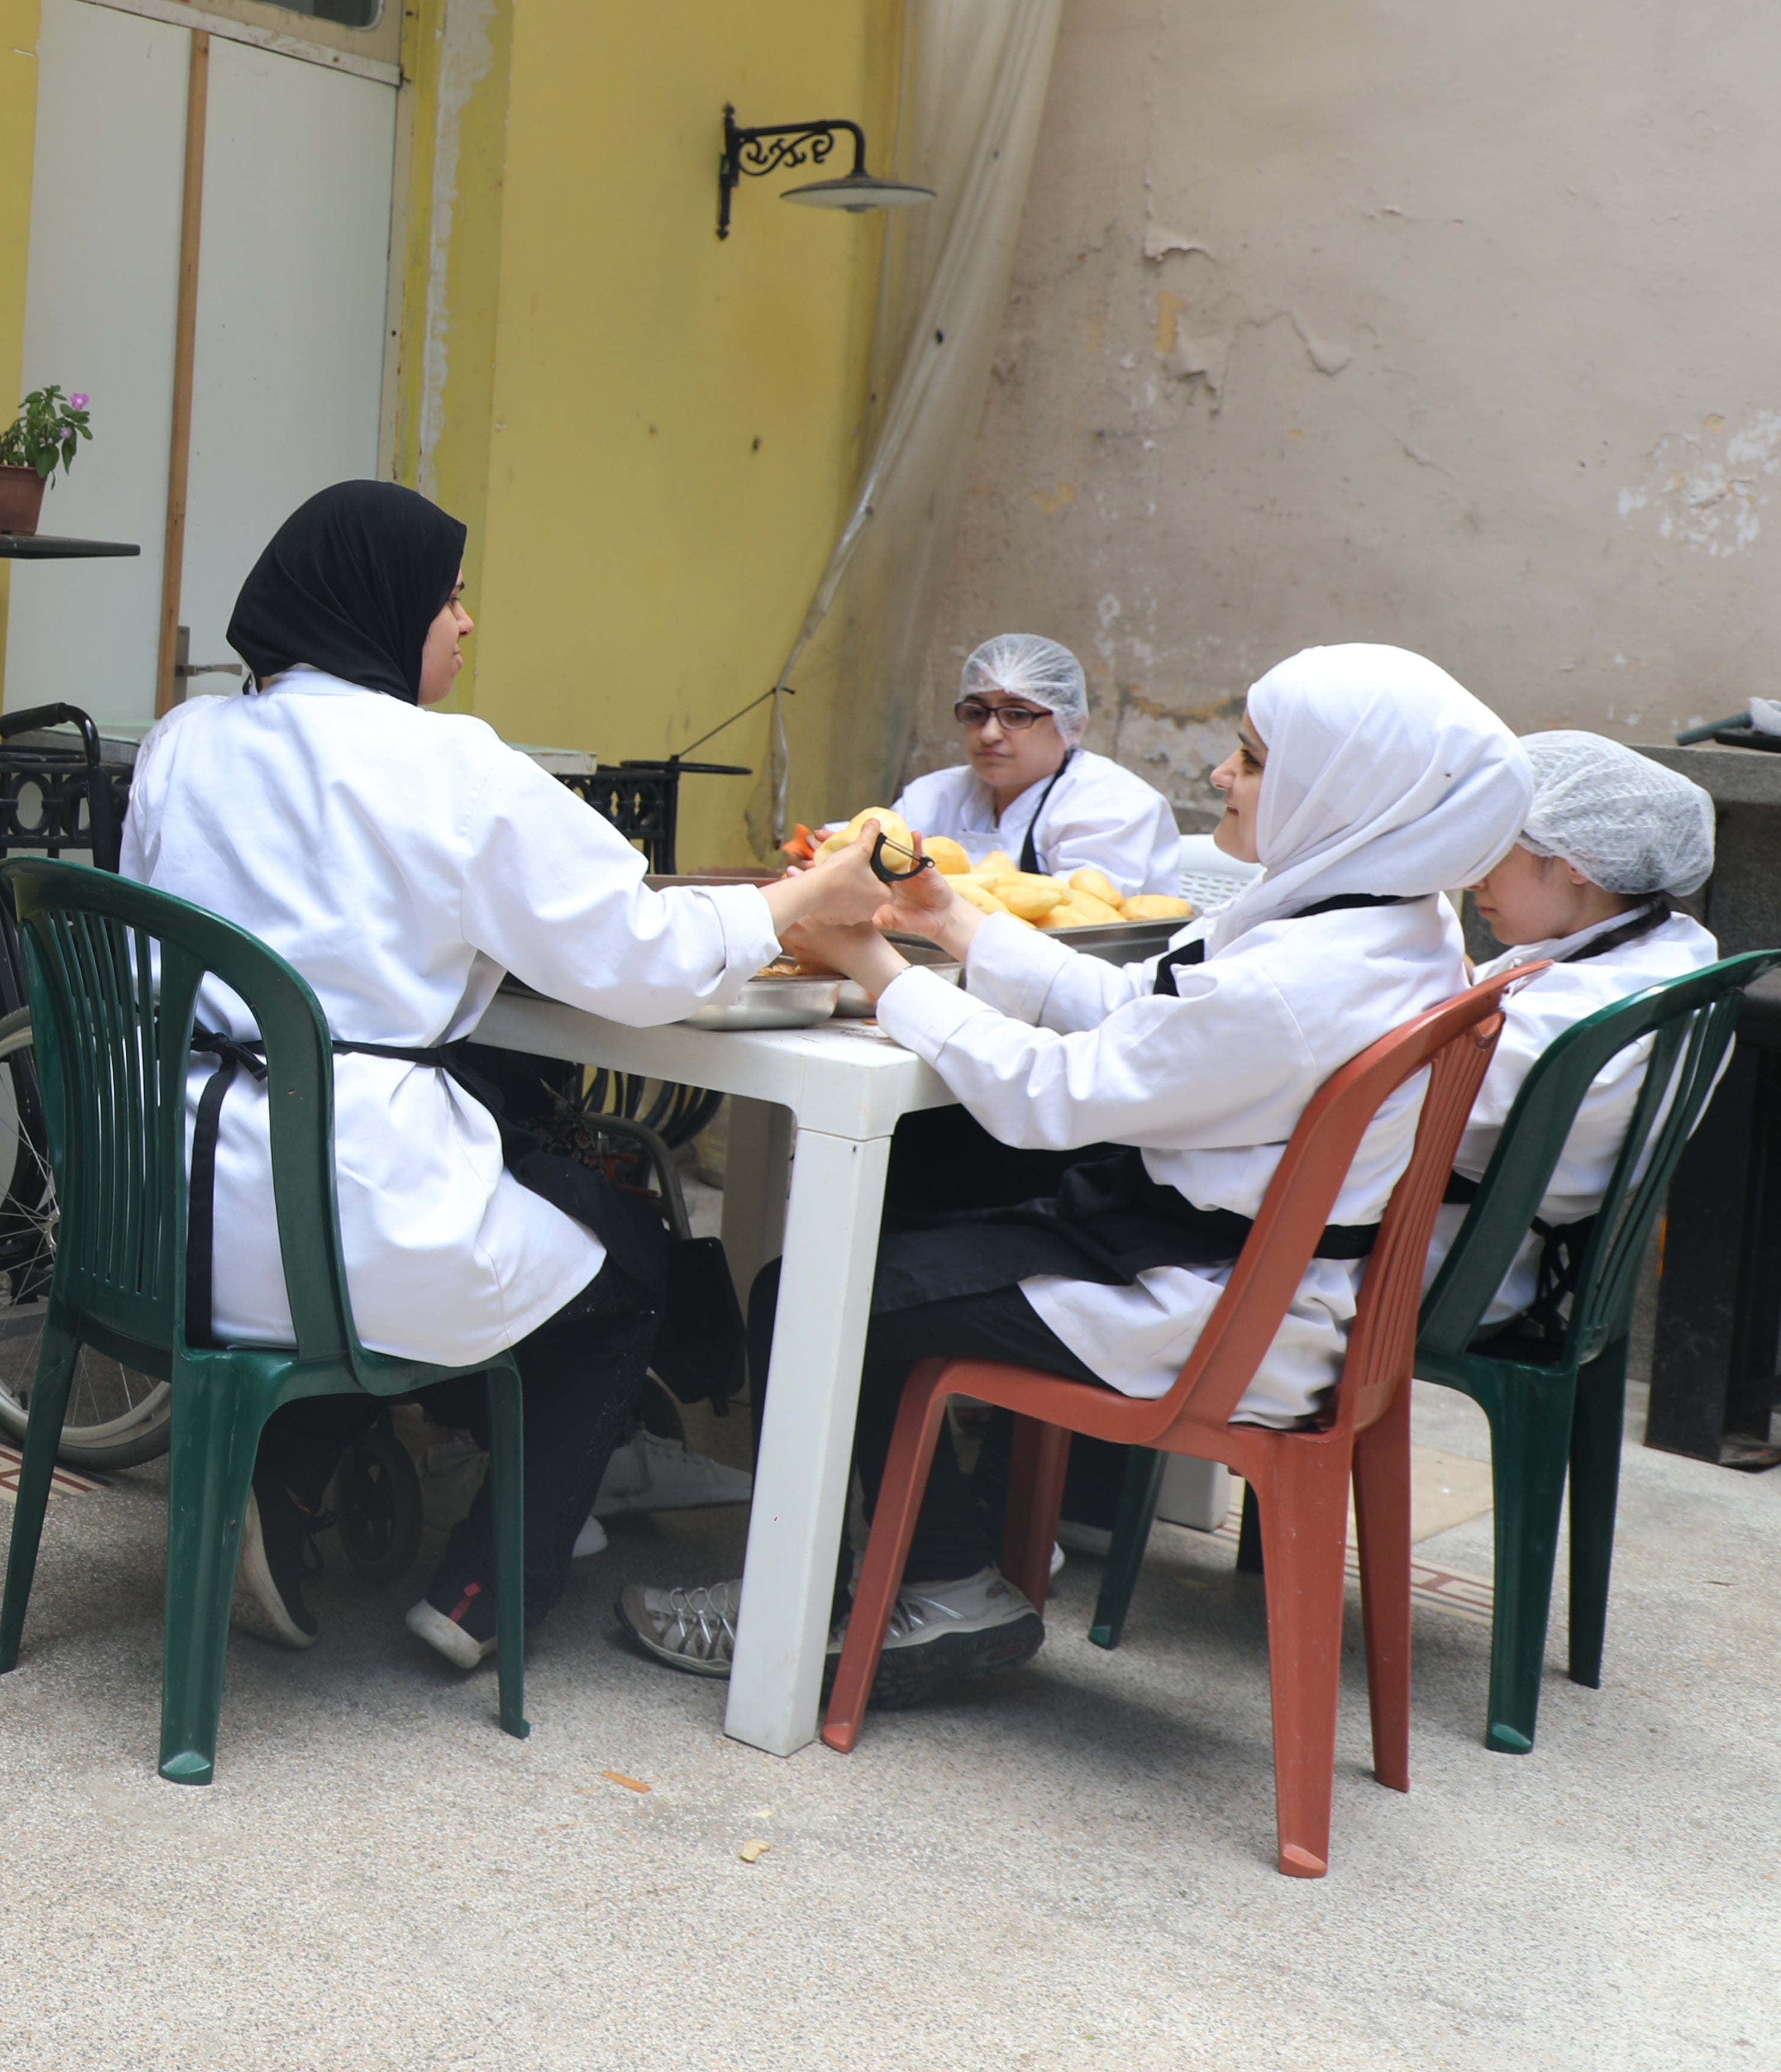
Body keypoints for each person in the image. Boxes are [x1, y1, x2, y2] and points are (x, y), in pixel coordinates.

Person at [619, 646, 1530, 1705]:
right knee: (904, 1224)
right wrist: (942, 915)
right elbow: (1138, 1006)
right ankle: (925, 1554)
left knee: (813, 1293)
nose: (1221, 780)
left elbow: (1056, 1096)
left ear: (1345, 791)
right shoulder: (1384, 920)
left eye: (1248, 759)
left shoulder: (1297, 982)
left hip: (1212, 1305)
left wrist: (868, 967)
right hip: (1255, 1266)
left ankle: (921, 1584)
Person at [117, 480, 883, 1670]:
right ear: (385, 608)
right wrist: (800, 898)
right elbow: (636, 953)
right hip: (343, 1221)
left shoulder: (183, 740)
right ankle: (482, 1590)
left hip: (168, 1218)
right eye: (451, 597)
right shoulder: (449, 766)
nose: (467, 623)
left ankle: (293, 1472)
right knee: (620, 1246)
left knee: (498, 1182)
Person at [1451, 732, 1723, 1329]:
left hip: (1449, 1264)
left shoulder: (1585, 1008)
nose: (1472, 877)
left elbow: (1418, 1103)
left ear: (1578, 859)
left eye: (1494, 848)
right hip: (1502, 1246)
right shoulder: (1672, 945)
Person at [888, 633, 1185, 897]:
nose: (989, 734)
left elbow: (1080, 916)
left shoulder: (1115, 805)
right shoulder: (933, 794)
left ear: (1069, 723)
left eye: (1017, 715)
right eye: (976, 712)